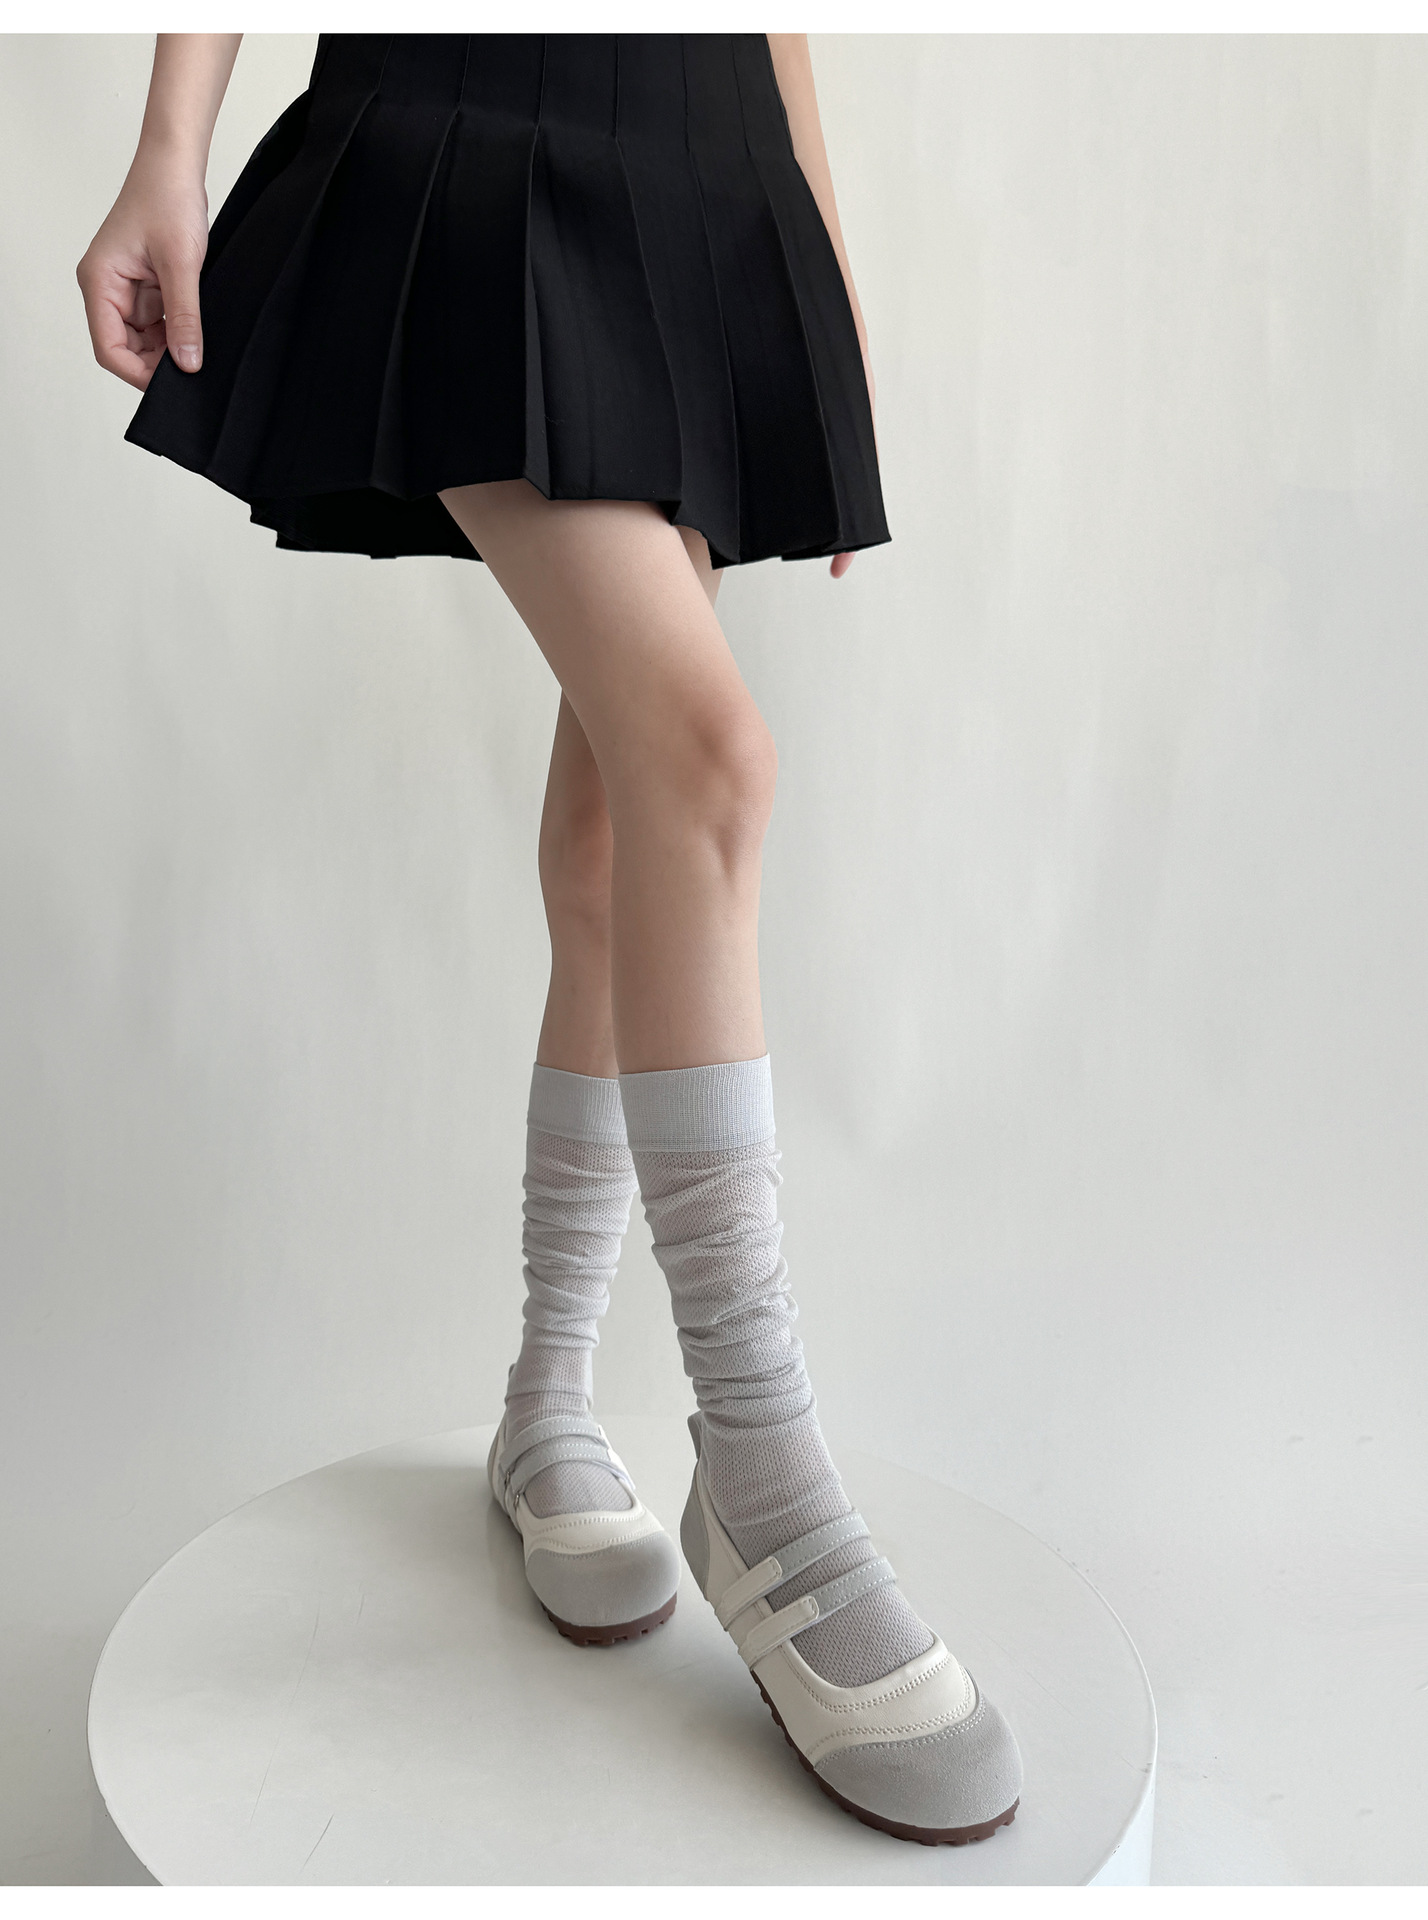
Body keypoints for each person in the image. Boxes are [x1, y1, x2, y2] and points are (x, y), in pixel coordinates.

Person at [78, 32, 1022, 1846]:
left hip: (704, 162)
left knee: (614, 821)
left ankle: (544, 1404)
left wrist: (817, 256)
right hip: (476, 126)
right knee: (709, 762)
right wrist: (167, 146)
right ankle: (761, 1466)